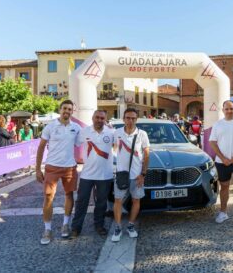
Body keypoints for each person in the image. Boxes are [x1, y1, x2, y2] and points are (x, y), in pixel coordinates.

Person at [35, 99, 81, 245]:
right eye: (65, 108)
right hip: (52, 167)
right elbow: (41, 148)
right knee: (48, 197)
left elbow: (84, 141)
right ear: (60, 109)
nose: (67, 111)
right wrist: (37, 169)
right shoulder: (50, 126)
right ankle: (47, 229)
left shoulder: (77, 127)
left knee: (69, 195)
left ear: (72, 112)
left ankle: (65, 224)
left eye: (70, 109)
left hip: (70, 167)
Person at [70, 110, 114, 238]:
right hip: (87, 175)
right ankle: (76, 228)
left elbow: (119, 147)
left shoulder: (111, 132)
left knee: (101, 203)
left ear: (105, 119)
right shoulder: (84, 131)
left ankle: (99, 225)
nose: (99, 120)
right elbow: (72, 144)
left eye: (102, 118)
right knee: (81, 202)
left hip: (105, 175)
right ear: (92, 118)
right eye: (97, 117)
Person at [112, 108, 150, 242]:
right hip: (121, 174)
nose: (130, 120)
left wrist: (143, 174)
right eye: (128, 118)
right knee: (118, 201)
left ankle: (131, 225)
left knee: (136, 200)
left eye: (133, 118)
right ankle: (117, 227)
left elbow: (146, 154)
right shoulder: (117, 132)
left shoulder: (142, 134)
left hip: (136, 175)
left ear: (136, 119)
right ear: (123, 119)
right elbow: (114, 148)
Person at [0, 115, 16, 182]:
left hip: (3, 147)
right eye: (4, 121)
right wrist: (13, 130)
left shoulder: (0, 129)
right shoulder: (0, 129)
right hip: (2, 148)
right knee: (0, 163)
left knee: (5, 162)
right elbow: (9, 136)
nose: (5, 122)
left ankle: (5, 175)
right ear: (1, 122)